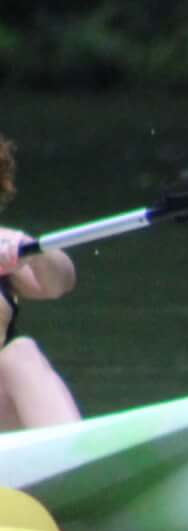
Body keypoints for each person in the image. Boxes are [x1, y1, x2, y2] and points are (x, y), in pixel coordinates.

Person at [0, 132, 83, 431]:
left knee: (20, 353)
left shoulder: (5, 244)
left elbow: (59, 284)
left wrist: (32, 250)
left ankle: (69, 455)